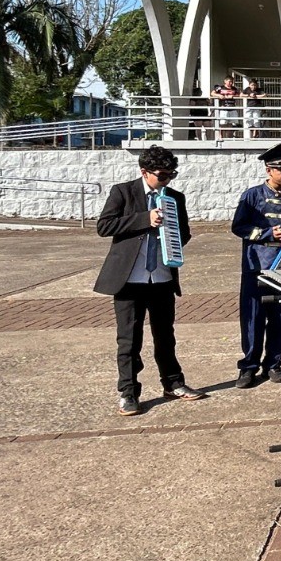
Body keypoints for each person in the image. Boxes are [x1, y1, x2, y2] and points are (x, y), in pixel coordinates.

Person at [94, 145, 204, 416]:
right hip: (130, 279)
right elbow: (104, 226)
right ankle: (128, 392)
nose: (167, 179)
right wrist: (146, 219)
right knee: (129, 340)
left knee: (166, 336)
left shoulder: (175, 197)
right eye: (162, 175)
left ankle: (173, 383)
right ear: (144, 172)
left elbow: (185, 232)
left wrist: (173, 239)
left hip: (162, 277)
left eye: (171, 174)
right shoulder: (123, 192)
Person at [229, 141, 281, 388]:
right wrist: (266, 233)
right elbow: (238, 227)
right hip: (256, 265)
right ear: (269, 170)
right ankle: (248, 366)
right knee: (253, 317)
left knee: (279, 317)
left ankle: (274, 363)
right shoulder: (252, 195)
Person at [213, 75, 239, 142]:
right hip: (223, 108)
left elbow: (240, 94)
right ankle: (221, 137)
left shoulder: (234, 88)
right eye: (229, 81)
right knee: (222, 124)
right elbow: (212, 93)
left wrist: (233, 96)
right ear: (225, 81)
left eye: (232, 82)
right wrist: (219, 95)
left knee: (230, 124)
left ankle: (229, 138)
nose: (231, 83)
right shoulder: (220, 88)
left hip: (232, 108)